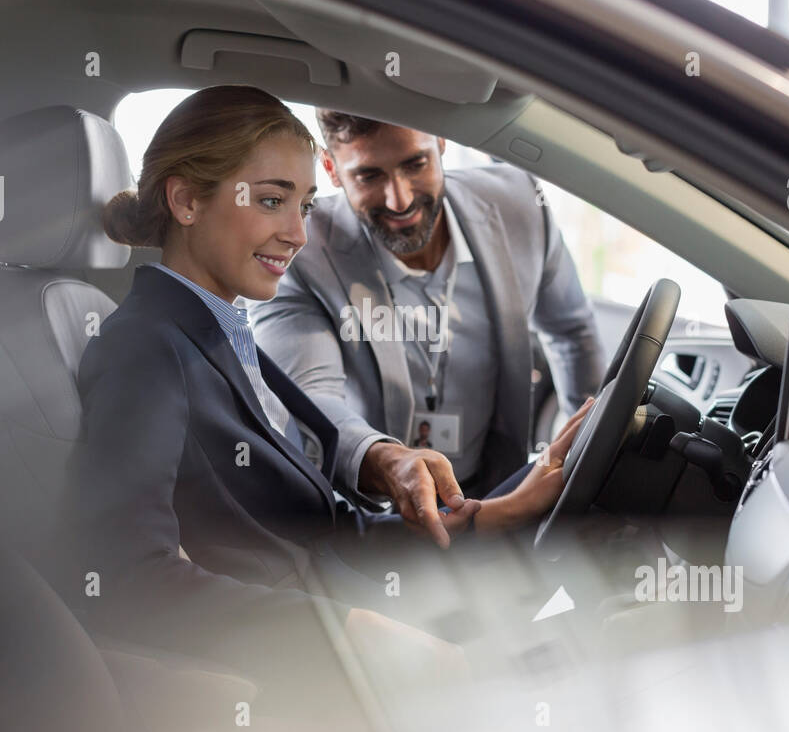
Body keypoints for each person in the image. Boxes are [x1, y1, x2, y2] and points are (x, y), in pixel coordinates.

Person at [63, 85, 590, 724]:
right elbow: (122, 578)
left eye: (305, 205)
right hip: (311, 674)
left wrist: (493, 514)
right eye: (270, 201)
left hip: (356, 607)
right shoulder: (145, 348)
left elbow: (330, 528)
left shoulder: (219, 330)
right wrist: (342, 634)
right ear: (185, 201)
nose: (296, 233)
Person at [249, 110, 606, 508]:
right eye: (369, 176)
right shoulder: (299, 253)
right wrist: (386, 462)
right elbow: (310, 396)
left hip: (500, 487)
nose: (398, 199)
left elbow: (572, 333)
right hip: (375, 512)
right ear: (331, 169)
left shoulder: (519, 203)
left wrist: (582, 461)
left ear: (440, 142)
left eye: (414, 164)